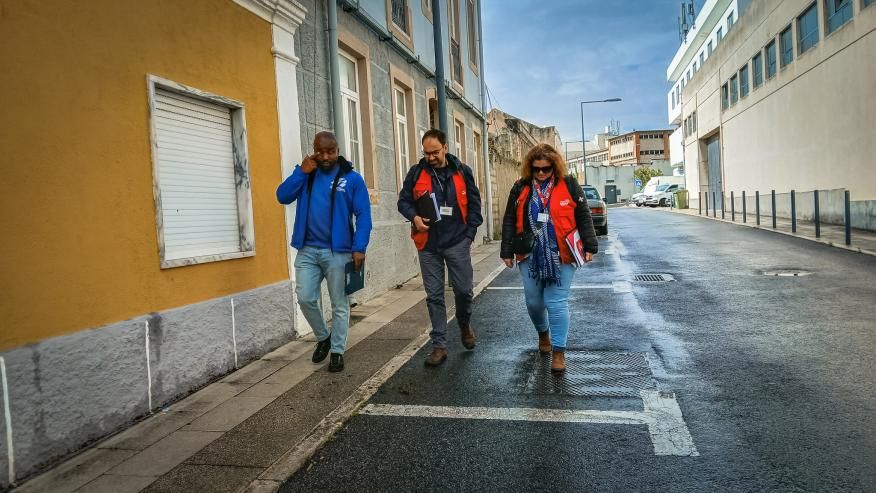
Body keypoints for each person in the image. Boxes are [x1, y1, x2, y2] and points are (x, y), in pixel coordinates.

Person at [276, 131, 372, 373]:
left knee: (339, 303)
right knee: (306, 297)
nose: (325, 156)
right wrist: (301, 171)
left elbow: (364, 216)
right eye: (320, 151)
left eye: (330, 151)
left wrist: (359, 247)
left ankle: (337, 351)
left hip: (338, 252)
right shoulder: (307, 175)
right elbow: (282, 196)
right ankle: (323, 337)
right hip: (307, 249)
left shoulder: (351, 179)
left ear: (337, 151)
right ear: (314, 150)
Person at [500, 143, 598, 373]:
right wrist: (506, 251)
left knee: (556, 302)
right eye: (537, 169)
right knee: (534, 302)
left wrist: (590, 245)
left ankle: (559, 352)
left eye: (546, 169)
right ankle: (543, 333)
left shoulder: (570, 185)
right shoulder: (521, 187)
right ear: (530, 169)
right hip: (530, 254)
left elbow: (583, 216)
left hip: (563, 254)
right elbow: (509, 219)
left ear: (554, 167)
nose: (542, 173)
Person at [398, 129, 483, 366]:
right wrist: (414, 217)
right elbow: (403, 201)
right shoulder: (416, 173)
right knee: (434, 295)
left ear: (445, 148)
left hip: (457, 241)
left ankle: (464, 324)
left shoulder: (463, 172)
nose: (431, 157)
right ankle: (439, 345)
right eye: (426, 153)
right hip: (428, 244)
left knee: (464, 291)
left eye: (435, 152)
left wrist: (469, 235)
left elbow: (475, 207)